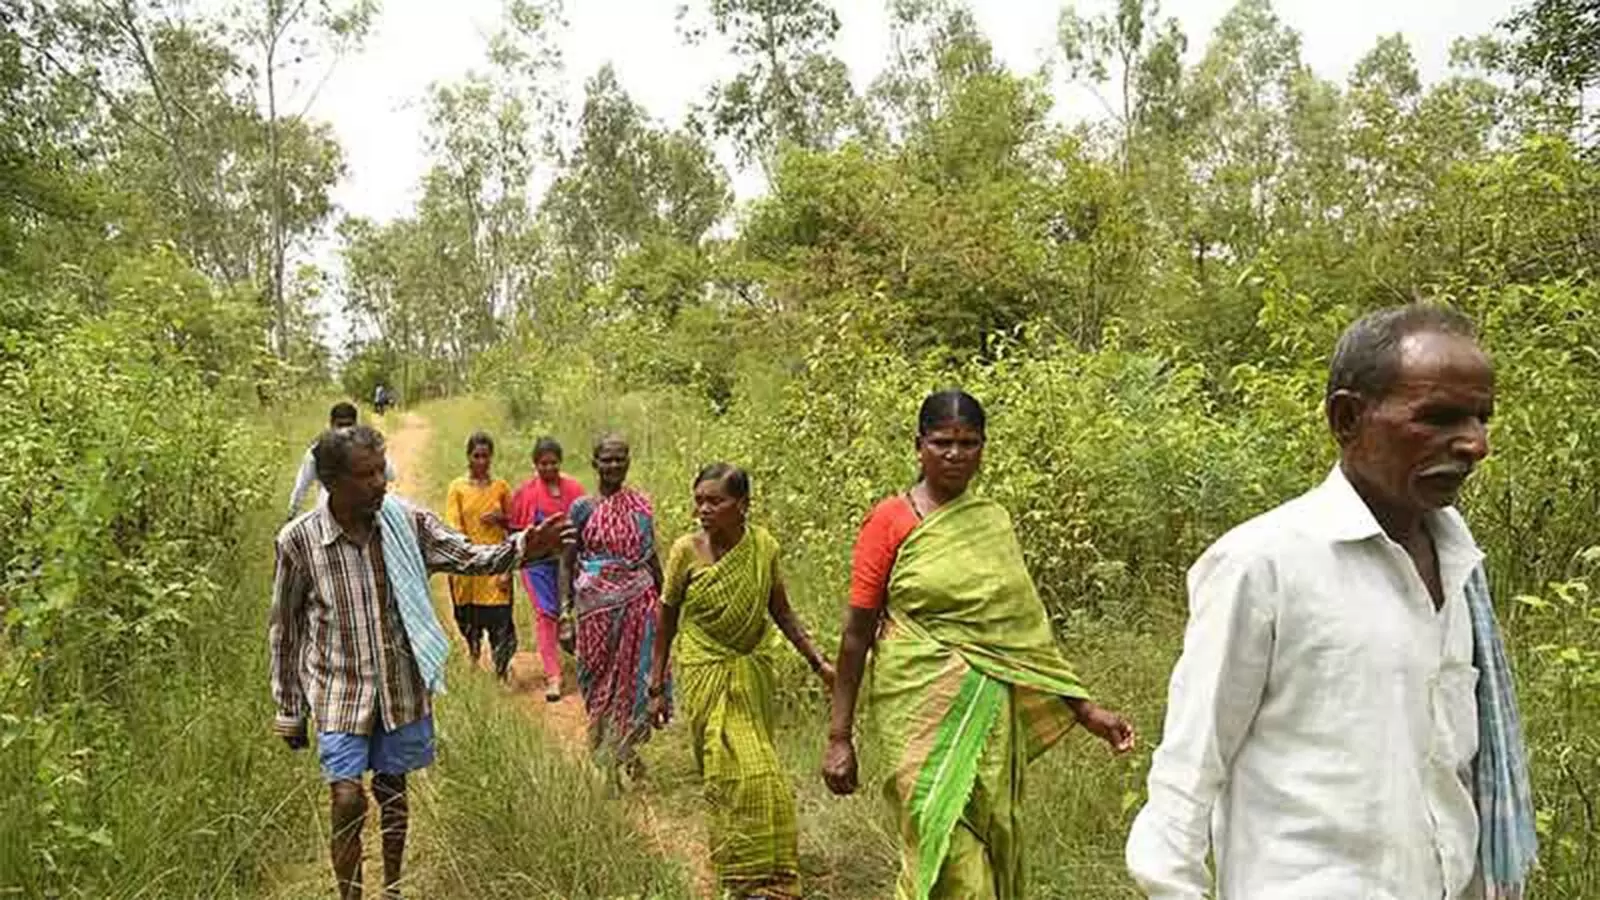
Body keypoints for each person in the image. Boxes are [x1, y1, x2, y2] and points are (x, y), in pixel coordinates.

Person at [1125, 304, 1537, 899]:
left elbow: (1457, 771)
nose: (1475, 443)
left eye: (1481, 417)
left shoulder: (1460, 564)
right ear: (1348, 418)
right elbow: (1189, 771)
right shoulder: (1263, 564)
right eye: (1439, 417)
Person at [823, 390, 1136, 899]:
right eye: (942, 442)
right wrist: (840, 737)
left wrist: (1085, 710)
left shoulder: (992, 522)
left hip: (988, 712)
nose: (955, 454)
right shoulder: (889, 521)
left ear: (983, 449)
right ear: (919, 446)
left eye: (968, 443)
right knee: (938, 837)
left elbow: (1024, 638)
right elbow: (856, 634)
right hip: (914, 706)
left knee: (987, 839)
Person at [270, 425, 571, 900]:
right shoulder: (299, 542)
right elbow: (286, 629)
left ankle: (392, 886)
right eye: (365, 475)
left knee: (392, 790)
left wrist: (522, 548)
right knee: (346, 798)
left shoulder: (405, 522)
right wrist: (290, 708)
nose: (380, 482)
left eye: (380, 471)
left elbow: (469, 556)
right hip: (338, 690)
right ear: (331, 482)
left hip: (400, 686)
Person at [649, 463, 836, 898]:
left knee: (761, 773)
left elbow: (781, 611)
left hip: (751, 672)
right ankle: (737, 873)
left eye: (715, 501)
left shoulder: (763, 548)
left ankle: (772, 877)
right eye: (699, 501)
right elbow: (667, 618)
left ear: (743, 505)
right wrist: (656, 685)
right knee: (722, 772)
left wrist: (818, 662)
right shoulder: (685, 552)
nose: (704, 509)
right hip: (704, 670)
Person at [568, 433, 666, 782]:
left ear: (628, 462)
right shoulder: (582, 509)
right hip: (594, 611)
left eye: (619, 459)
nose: (613, 465)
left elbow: (650, 556)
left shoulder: (640, 506)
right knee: (596, 682)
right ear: (594, 463)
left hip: (640, 604)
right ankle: (609, 752)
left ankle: (621, 752)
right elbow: (568, 560)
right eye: (607, 459)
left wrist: (666, 603)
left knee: (635, 681)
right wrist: (565, 616)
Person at [509, 436, 587, 701]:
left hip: (569, 561)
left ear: (560, 462)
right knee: (546, 614)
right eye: (543, 464)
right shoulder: (526, 493)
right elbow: (515, 532)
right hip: (537, 564)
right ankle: (553, 676)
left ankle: (585, 663)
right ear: (535, 464)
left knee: (574, 611)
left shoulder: (574, 490)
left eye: (553, 463)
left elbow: (585, 526)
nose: (549, 468)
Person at [444, 431, 515, 681]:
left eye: (485, 456)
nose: (481, 461)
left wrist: (501, 519)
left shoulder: (501, 488)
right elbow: (453, 527)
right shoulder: (458, 488)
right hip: (468, 567)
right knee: (468, 619)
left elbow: (515, 526)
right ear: (468, 457)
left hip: (496, 565)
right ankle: (474, 657)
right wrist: (465, 556)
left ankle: (501, 672)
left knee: (500, 621)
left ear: (491, 457)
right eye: (476, 456)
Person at [286, 402, 396, 521]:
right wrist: (292, 512)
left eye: (348, 426)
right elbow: (302, 485)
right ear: (331, 425)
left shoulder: (367, 450)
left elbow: (390, 474)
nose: (344, 431)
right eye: (340, 426)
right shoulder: (318, 450)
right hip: (330, 511)